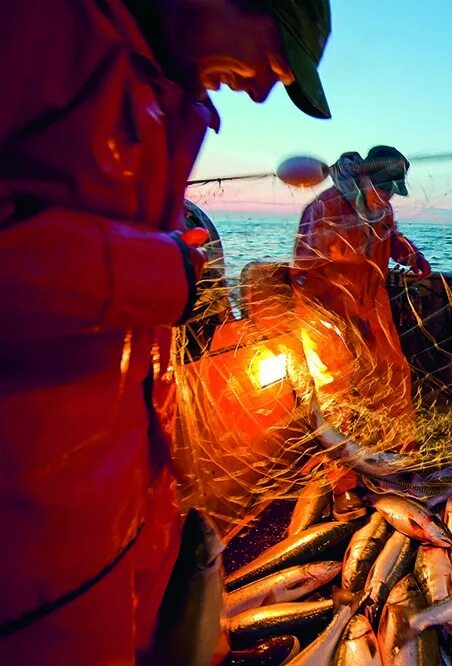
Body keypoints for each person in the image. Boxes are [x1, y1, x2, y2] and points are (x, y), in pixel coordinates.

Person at [0, 1, 331, 663]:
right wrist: (165, 271)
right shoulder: (37, 24)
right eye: (274, 58)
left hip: (111, 519)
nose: (265, 90)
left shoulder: (158, 90)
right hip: (30, 552)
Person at [292, 146, 431, 519]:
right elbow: (304, 273)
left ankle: (399, 463)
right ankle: (344, 486)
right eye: (383, 187)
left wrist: (411, 254)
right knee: (339, 396)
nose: (387, 195)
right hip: (326, 315)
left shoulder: (381, 206)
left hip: (373, 307)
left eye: (392, 189)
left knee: (394, 379)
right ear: (365, 176)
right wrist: (339, 321)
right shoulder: (325, 208)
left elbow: (390, 237)